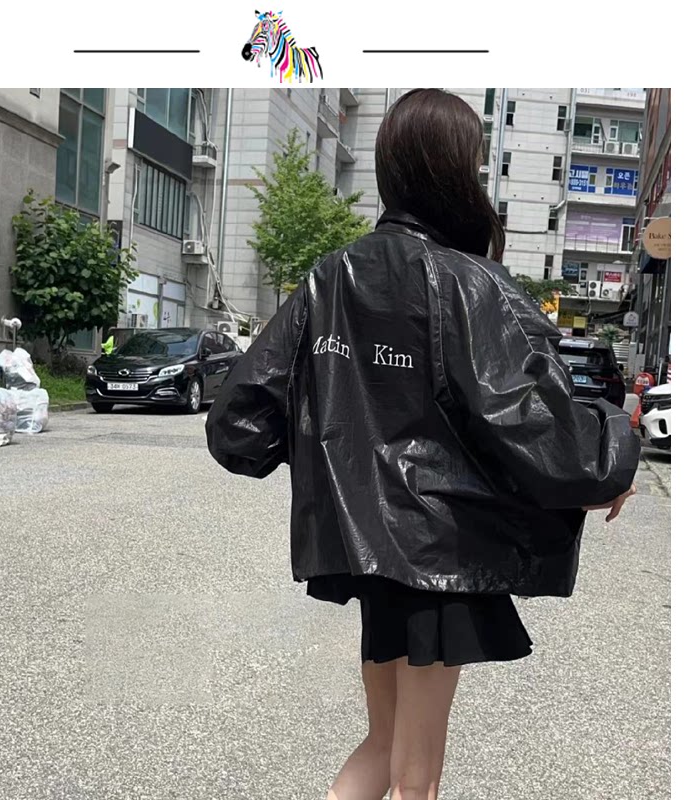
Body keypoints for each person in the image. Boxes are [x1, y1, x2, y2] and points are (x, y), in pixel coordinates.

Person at [205, 89, 641, 800]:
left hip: (369, 556)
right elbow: (530, 421)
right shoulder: (468, 283)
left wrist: (332, 440)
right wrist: (612, 451)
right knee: (416, 780)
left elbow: (239, 427)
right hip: (442, 556)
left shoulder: (329, 277)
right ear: (458, 170)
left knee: (385, 745)